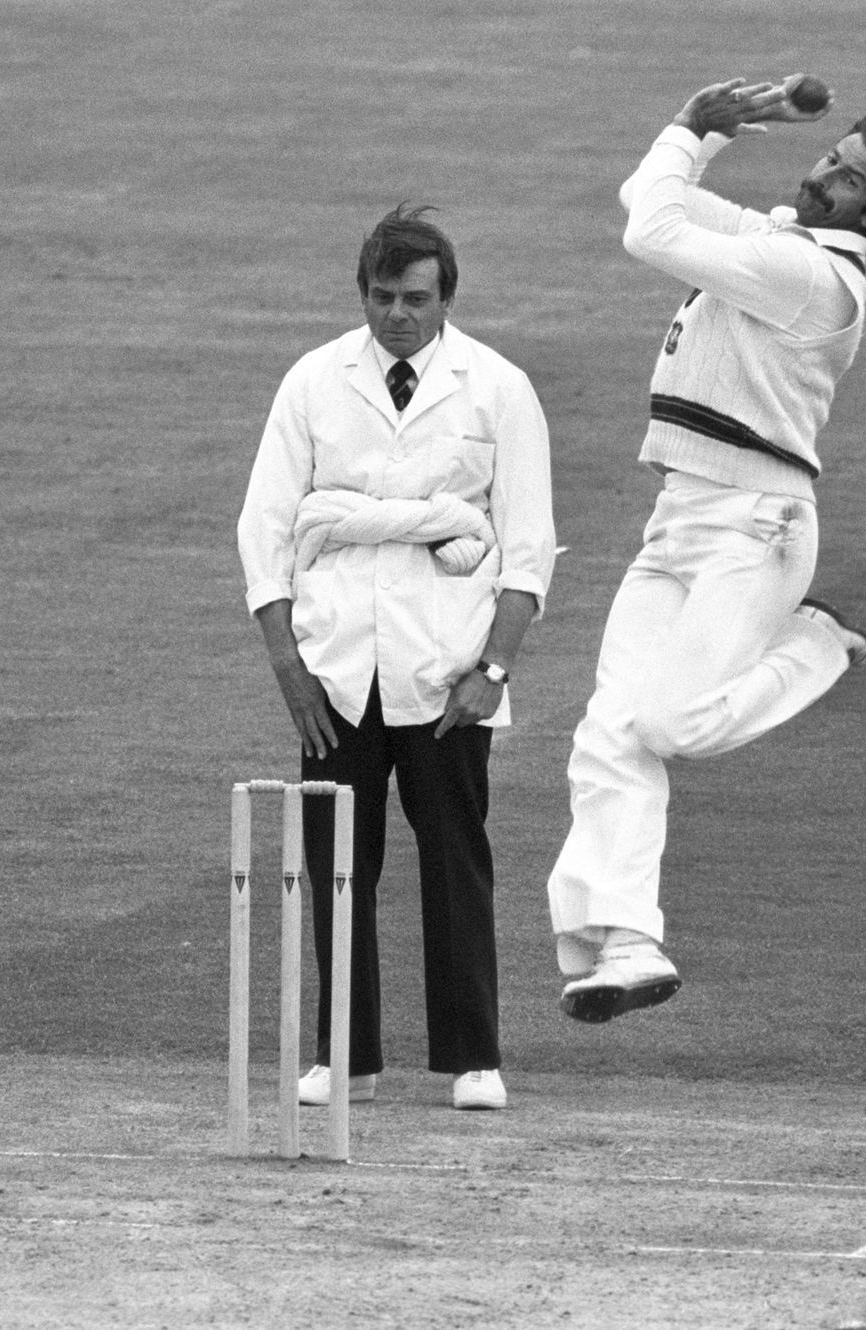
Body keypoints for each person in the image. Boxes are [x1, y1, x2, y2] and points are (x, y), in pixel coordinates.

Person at [545, 77, 866, 1022]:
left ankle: (814, 645)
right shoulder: (777, 242)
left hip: (757, 525)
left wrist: (687, 135)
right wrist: (696, 133)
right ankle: (627, 944)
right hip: (682, 513)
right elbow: (649, 202)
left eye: (846, 178)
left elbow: (652, 237)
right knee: (611, 732)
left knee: (669, 725)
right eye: (827, 157)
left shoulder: (812, 277)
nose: (821, 175)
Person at [238, 204, 555, 1108]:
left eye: (416, 299)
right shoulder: (313, 381)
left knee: (456, 853)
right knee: (339, 858)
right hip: (335, 666)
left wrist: (493, 671)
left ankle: (475, 1057)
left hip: (449, 665)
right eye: (382, 297)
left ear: (446, 299)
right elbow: (263, 524)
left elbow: (528, 543)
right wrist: (286, 661)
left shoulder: (497, 388)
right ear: (363, 294)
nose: (396, 316)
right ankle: (346, 1055)